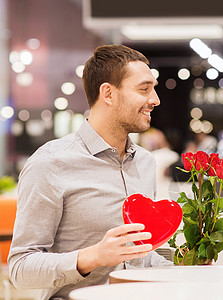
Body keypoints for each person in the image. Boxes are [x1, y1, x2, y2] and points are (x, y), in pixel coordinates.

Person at [8, 45, 173, 300]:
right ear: (108, 93)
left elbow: (138, 255)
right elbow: (20, 268)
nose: (155, 99)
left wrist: (186, 270)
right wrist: (93, 256)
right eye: (144, 89)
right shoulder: (51, 163)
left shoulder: (145, 162)